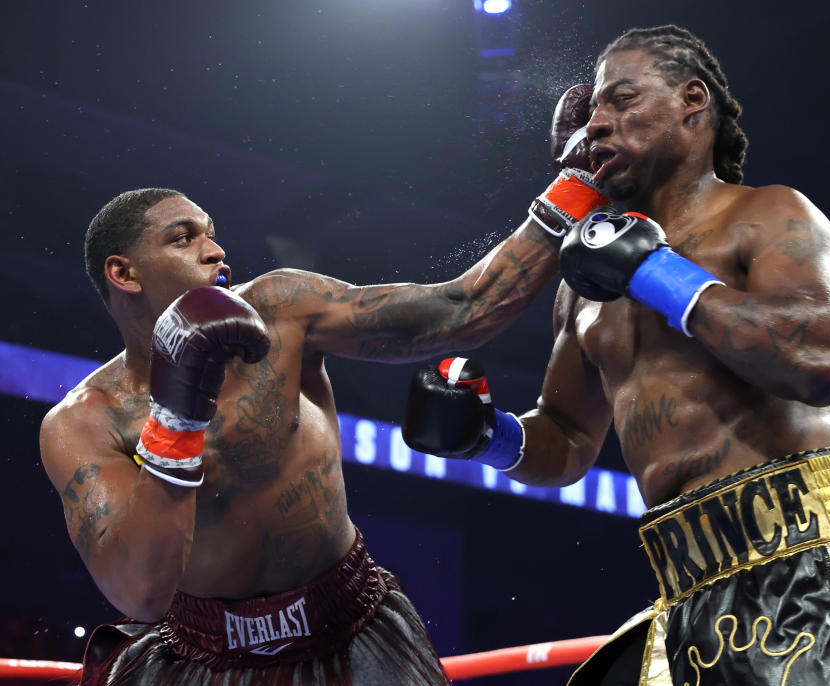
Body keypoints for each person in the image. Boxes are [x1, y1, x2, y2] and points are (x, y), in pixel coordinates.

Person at [402, 24, 830, 685]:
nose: (597, 123)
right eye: (592, 112)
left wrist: (659, 274)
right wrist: (484, 434)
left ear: (693, 101)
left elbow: (819, 360)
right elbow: (568, 439)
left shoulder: (767, 215)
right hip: (687, 573)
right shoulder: (582, 288)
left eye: (622, 99)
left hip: (811, 534)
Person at [38, 133, 609, 686]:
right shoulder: (85, 420)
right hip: (199, 660)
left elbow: (462, 308)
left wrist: (577, 187)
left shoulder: (282, 308)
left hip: (352, 627)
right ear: (124, 273)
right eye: (182, 238)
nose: (215, 250)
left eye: (211, 234)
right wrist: (177, 415)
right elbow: (139, 593)